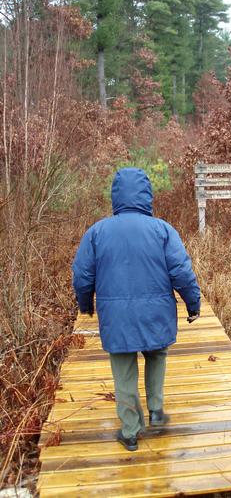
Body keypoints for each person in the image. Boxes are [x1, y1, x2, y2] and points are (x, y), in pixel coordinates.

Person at [72, 167, 201, 451]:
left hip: (117, 320)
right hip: (156, 314)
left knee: (124, 371)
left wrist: (85, 305)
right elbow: (182, 272)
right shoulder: (163, 230)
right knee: (157, 355)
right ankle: (155, 409)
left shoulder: (97, 232)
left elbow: (82, 276)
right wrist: (193, 304)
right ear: (146, 195)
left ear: (116, 196)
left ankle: (130, 432)